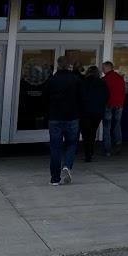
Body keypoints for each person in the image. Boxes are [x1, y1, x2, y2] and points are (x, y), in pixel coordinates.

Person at [46, 56, 83, 185]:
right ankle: (67, 164)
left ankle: (55, 178)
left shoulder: (52, 80)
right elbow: (82, 98)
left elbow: (45, 98)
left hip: (55, 117)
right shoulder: (76, 80)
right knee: (72, 143)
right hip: (72, 117)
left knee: (55, 148)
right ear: (69, 66)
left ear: (58, 65)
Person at [79, 65, 108, 162]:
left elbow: (79, 96)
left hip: (85, 111)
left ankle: (88, 153)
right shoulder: (102, 83)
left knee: (86, 133)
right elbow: (106, 96)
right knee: (92, 132)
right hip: (97, 111)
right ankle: (90, 151)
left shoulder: (83, 82)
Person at [100, 60, 126, 156]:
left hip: (108, 105)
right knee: (117, 125)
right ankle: (118, 145)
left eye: (103, 68)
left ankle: (107, 149)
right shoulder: (120, 78)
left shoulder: (104, 79)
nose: (102, 70)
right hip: (119, 105)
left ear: (108, 67)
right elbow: (123, 91)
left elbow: (102, 94)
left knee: (107, 127)